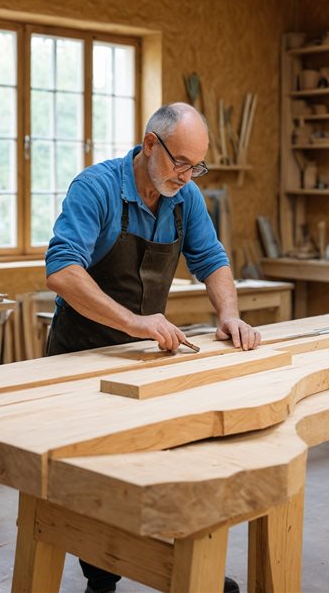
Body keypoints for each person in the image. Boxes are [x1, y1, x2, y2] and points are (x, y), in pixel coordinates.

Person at [45, 102, 261, 593]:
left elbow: (212, 259)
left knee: (149, 462)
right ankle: (102, 578)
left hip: (142, 359)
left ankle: (175, 562)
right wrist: (133, 322)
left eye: (196, 165)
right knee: (88, 476)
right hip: (82, 355)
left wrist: (229, 315)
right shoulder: (96, 187)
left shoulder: (185, 198)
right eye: (180, 162)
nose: (187, 175)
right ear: (149, 145)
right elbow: (61, 269)